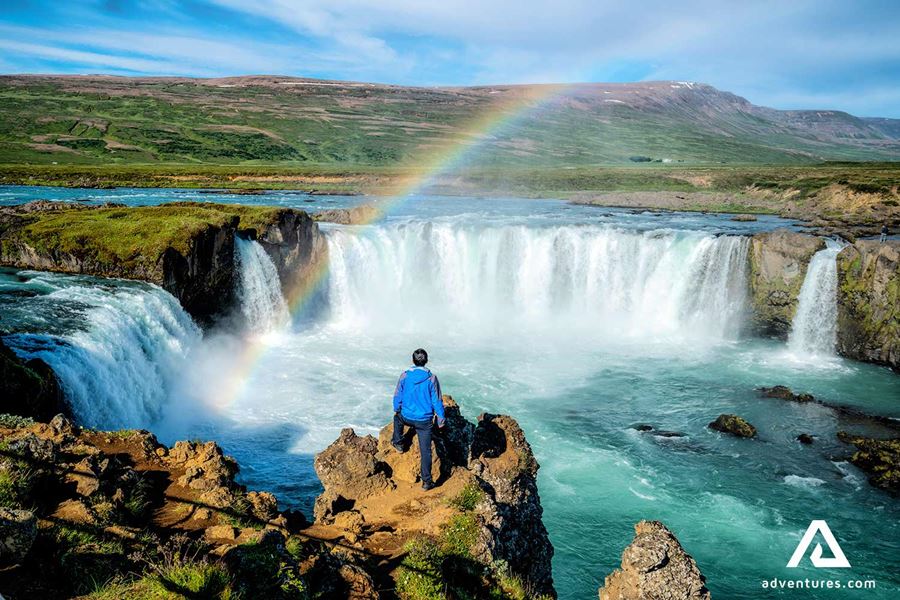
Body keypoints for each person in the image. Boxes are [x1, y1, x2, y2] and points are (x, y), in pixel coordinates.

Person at [391, 348, 445, 490]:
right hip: (424, 421)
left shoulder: (404, 376)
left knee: (397, 419)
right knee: (425, 451)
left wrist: (397, 408)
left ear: (413, 360)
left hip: (407, 417)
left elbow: (397, 395)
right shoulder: (431, 378)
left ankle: (398, 443)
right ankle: (427, 482)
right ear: (426, 361)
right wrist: (441, 420)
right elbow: (437, 401)